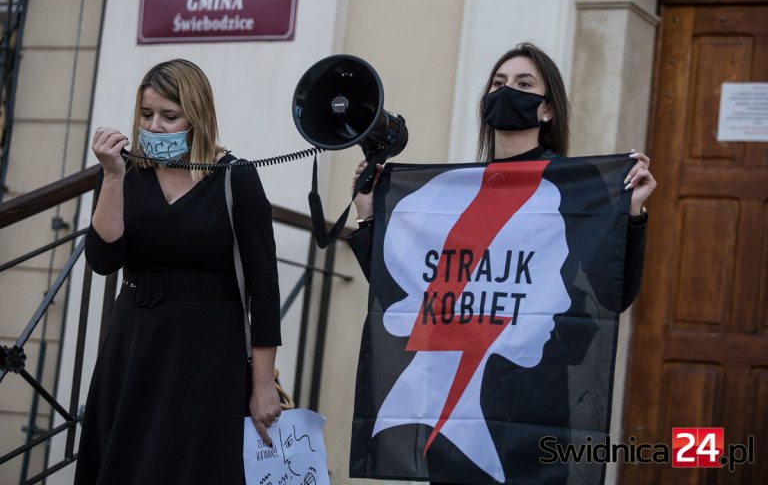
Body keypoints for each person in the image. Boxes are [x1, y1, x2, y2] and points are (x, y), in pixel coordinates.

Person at [347, 42, 656, 484]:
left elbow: (614, 293)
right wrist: (368, 213)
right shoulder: (456, 191)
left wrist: (633, 216)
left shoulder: (574, 186)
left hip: (534, 400)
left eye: (524, 83)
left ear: (547, 110)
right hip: (449, 412)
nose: (507, 90)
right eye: (499, 82)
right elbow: (406, 293)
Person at [75, 59, 282, 485]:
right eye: (147, 115)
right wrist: (112, 178)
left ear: (198, 116)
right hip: (134, 346)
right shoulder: (124, 172)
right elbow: (103, 260)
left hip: (207, 354)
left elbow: (263, 289)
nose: (156, 127)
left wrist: (262, 385)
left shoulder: (235, 178)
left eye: (170, 116)